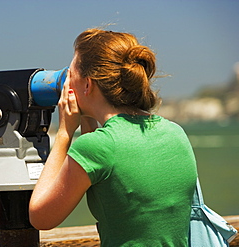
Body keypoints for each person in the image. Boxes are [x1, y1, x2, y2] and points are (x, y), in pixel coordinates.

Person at [29, 28, 198, 246]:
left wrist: (64, 133)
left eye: (70, 73)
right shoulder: (176, 133)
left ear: (88, 84)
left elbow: (40, 216)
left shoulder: (97, 147)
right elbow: (105, 175)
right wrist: (86, 117)